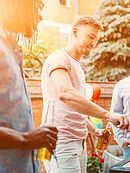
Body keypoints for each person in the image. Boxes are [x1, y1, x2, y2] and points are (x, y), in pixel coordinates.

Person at [41, 15, 130, 173]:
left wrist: (94, 130)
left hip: (77, 142)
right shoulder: (59, 58)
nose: (93, 43)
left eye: (96, 40)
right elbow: (65, 94)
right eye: (90, 36)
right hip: (59, 142)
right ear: (74, 32)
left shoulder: (77, 66)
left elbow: (74, 109)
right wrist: (108, 115)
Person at [0, 0, 58, 172]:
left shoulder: (10, 49)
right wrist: (24, 138)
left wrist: (32, 134)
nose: (40, 17)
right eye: (37, 8)